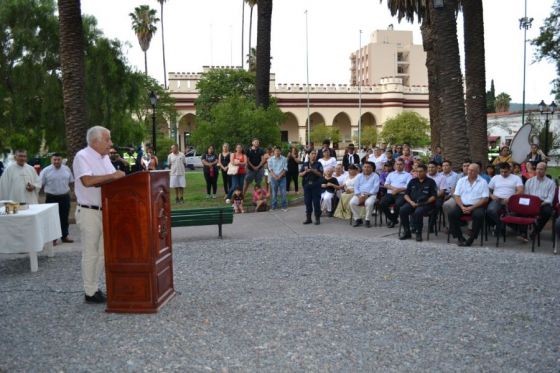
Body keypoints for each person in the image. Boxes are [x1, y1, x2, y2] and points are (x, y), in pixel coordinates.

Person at [73, 126, 126, 303]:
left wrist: (118, 177)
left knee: (104, 252)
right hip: (89, 212)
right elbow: (87, 181)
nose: (110, 143)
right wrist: (113, 175)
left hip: (106, 211)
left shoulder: (105, 159)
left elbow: (113, 180)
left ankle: (95, 287)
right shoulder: (82, 156)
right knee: (91, 253)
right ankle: (89, 292)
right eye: (107, 139)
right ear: (95, 141)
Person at [448, 163, 489, 247]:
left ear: (478, 171)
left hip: (476, 206)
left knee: (479, 215)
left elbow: (485, 198)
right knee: (451, 214)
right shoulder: (461, 180)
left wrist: (472, 207)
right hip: (462, 205)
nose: (470, 172)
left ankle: (471, 239)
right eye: (469, 170)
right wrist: (461, 206)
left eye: (472, 170)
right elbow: (456, 195)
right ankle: (460, 237)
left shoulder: (483, 182)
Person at [39, 153, 75, 245]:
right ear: (51, 160)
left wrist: (72, 193)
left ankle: (64, 236)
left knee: (64, 217)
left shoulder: (66, 169)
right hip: (51, 197)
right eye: (54, 160)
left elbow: (71, 182)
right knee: (52, 219)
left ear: (61, 160)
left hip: (64, 197)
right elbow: (40, 184)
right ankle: (53, 239)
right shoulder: (46, 170)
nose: (56, 161)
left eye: (58, 160)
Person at [399, 164, 437, 241]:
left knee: (418, 212)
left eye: (421, 171)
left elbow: (434, 196)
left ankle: (418, 233)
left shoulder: (431, 182)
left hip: (425, 204)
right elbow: (406, 194)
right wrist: (411, 202)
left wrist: (423, 203)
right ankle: (407, 232)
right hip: (412, 203)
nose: (419, 173)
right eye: (417, 171)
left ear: (426, 172)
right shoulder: (412, 181)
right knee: (402, 210)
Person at [522, 162, 556, 242]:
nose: (538, 171)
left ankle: (536, 231)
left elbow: (550, 198)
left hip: (543, 203)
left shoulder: (551, 183)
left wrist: (540, 204)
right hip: (531, 202)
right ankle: (523, 233)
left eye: (541, 169)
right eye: (537, 169)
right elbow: (526, 195)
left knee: (547, 212)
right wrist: (531, 203)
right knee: (522, 209)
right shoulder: (529, 181)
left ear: (545, 170)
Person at [486, 162, 523, 232]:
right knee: (490, 210)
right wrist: (492, 196)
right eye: (501, 172)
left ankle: (502, 225)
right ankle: (501, 224)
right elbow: (487, 189)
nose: (503, 173)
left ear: (510, 170)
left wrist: (511, 198)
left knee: (516, 213)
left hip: (511, 200)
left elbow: (520, 190)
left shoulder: (516, 178)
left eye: (505, 172)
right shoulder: (495, 177)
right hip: (497, 199)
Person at [380, 159, 412, 228]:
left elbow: (408, 186)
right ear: (394, 165)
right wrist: (394, 189)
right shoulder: (391, 174)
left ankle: (393, 220)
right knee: (382, 203)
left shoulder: (408, 175)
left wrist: (398, 190)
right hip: (391, 193)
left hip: (402, 194)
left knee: (398, 204)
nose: (399, 166)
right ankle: (393, 219)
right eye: (397, 164)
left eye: (400, 164)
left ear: (404, 165)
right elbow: (386, 184)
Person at [350, 161, 380, 227]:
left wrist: (367, 195)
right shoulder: (359, 176)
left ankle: (367, 220)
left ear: (372, 168)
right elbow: (356, 187)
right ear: (362, 168)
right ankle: (358, 219)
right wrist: (359, 195)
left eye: (368, 167)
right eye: (365, 167)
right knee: (352, 203)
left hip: (371, 195)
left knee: (369, 203)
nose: (366, 168)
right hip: (360, 194)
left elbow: (375, 188)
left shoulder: (375, 176)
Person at [300, 150, 324, 225]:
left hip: (316, 185)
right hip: (307, 185)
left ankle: (317, 218)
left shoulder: (318, 164)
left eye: (315, 154)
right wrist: (305, 172)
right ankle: (308, 218)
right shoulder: (305, 164)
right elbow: (300, 174)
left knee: (316, 202)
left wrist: (312, 170)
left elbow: (320, 174)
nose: (314, 155)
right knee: (307, 202)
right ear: (309, 155)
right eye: (312, 154)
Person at [268, 146, 288, 211]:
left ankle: (284, 206)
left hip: (282, 177)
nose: (277, 152)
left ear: (280, 151)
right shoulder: (270, 159)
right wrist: (275, 176)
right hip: (274, 178)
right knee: (274, 193)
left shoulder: (284, 159)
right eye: (276, 151)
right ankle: (273, 207)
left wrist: (279, 176)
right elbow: (270, 169)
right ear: (273, 152)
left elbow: (285, 169)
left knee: (283, 192)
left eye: (278, 151)